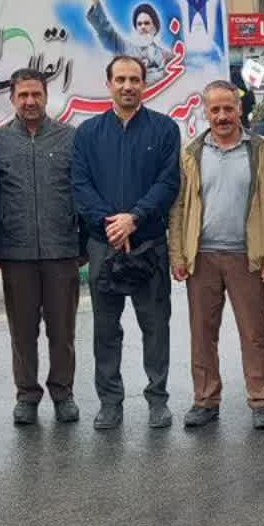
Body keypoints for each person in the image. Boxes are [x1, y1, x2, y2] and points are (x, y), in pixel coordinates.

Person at [72, 54, 182, 430]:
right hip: (103, 244)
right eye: (120, 79)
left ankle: (157, 399)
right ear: (108, 85)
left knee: (155, 325)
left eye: (134, 79)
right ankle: (110, 402)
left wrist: (133, 218)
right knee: (106, 328)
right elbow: (80, 186)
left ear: (144, 84)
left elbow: (168, 183)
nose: (127, 86)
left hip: (148, 243)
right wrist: (111, 225)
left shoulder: (165, 130)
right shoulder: (87, 133)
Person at [168, 80, 264, 430]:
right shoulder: (191, 152)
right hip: (201, 256)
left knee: (255, 332)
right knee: (203, 333)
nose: (221, 116)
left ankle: (261, 399)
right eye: (214, 109)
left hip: (247, 255)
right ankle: (205, 400)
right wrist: (178, 253)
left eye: (227, 108)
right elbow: (180, 206)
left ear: (239, 109)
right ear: (205, 111)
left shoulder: (261, 149)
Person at [0, 68, 81, 426]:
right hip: (16, 255)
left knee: (62, 330)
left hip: (61, 252)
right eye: (22, 95)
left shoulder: (69, 139)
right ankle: (27, 395)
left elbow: (80, 194)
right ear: (12, 98)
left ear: (46, 96)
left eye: (35, 94)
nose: (29, 101)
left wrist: (80, 245)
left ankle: (63, 393)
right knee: (22, 332)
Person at [77, 0, 171, 79]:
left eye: (147, 23)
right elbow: (106, 30)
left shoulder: (166, 56)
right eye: (139, 24)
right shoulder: (125, 47)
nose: (143, 27)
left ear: (155, 27)